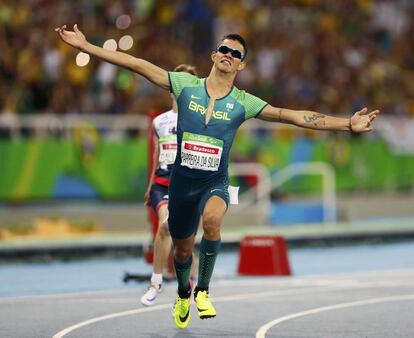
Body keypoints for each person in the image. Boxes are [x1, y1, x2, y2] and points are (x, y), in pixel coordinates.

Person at [55, 25, 379, 329]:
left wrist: (346, 124)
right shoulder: (185, 86)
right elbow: (136, 64)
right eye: (224, 49)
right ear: (213, 55)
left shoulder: (243, 102)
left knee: (212, 221)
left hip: (215, 183)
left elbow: (290, 116)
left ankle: (203, 291)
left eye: (236, 54)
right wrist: (86, 47)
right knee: (182, 252)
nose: (228, 54)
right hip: (182, 185)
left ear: (241, 66)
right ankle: (183, 294)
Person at [141, 64, 198, 306]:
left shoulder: (198, 121)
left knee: (186, 242)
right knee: (165, 227)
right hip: (162, 185)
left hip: (187, 187)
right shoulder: (159, 122)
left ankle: (190, 285)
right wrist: (150, 185)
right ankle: (155, 283)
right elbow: (157, 153)